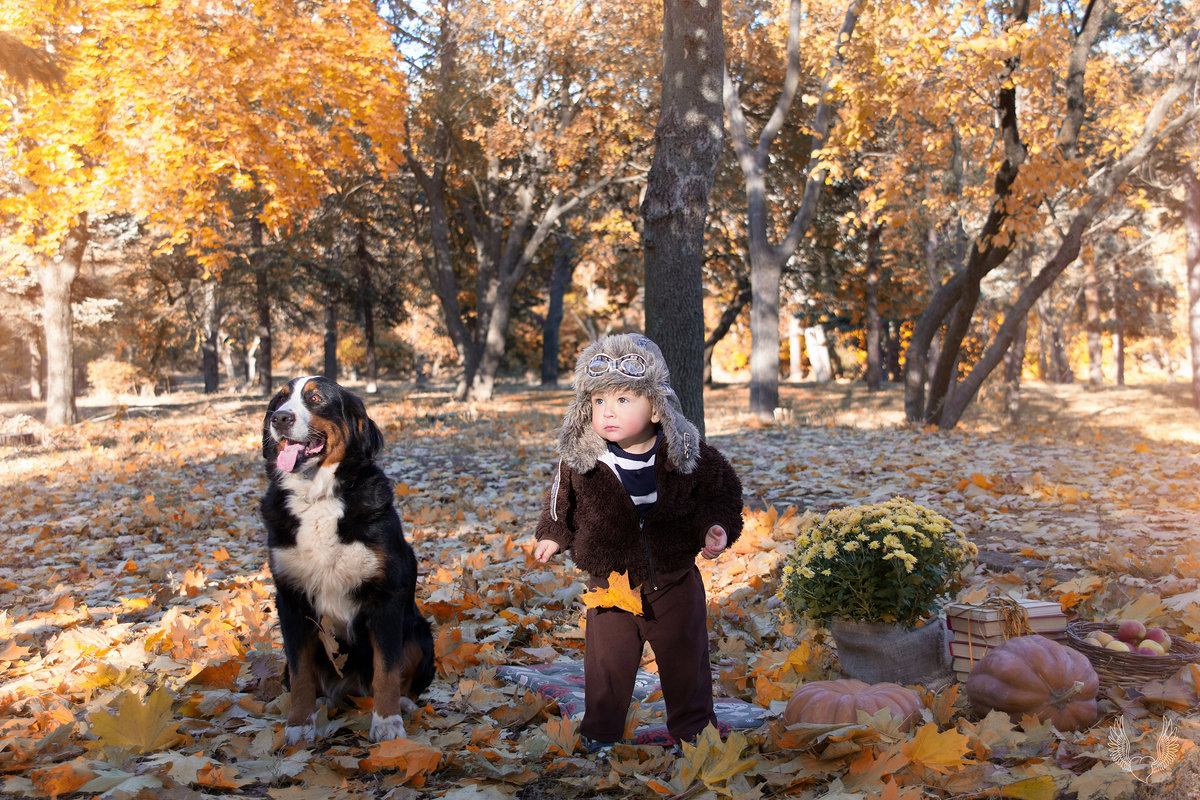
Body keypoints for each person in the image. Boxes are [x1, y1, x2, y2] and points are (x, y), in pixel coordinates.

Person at [533, 333, 744, 753]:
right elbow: (559, 503)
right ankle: (601, 734)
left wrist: (714, 527)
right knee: (607, 666)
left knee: (687, 666)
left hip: (674, 582)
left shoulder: (686, 452)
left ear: (656, 405)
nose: (608, 412)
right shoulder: (583, 461)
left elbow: (720, 493)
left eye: (623, 400)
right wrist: (552, 535)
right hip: (610, 587)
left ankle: (695, 735)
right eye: (598, 402)